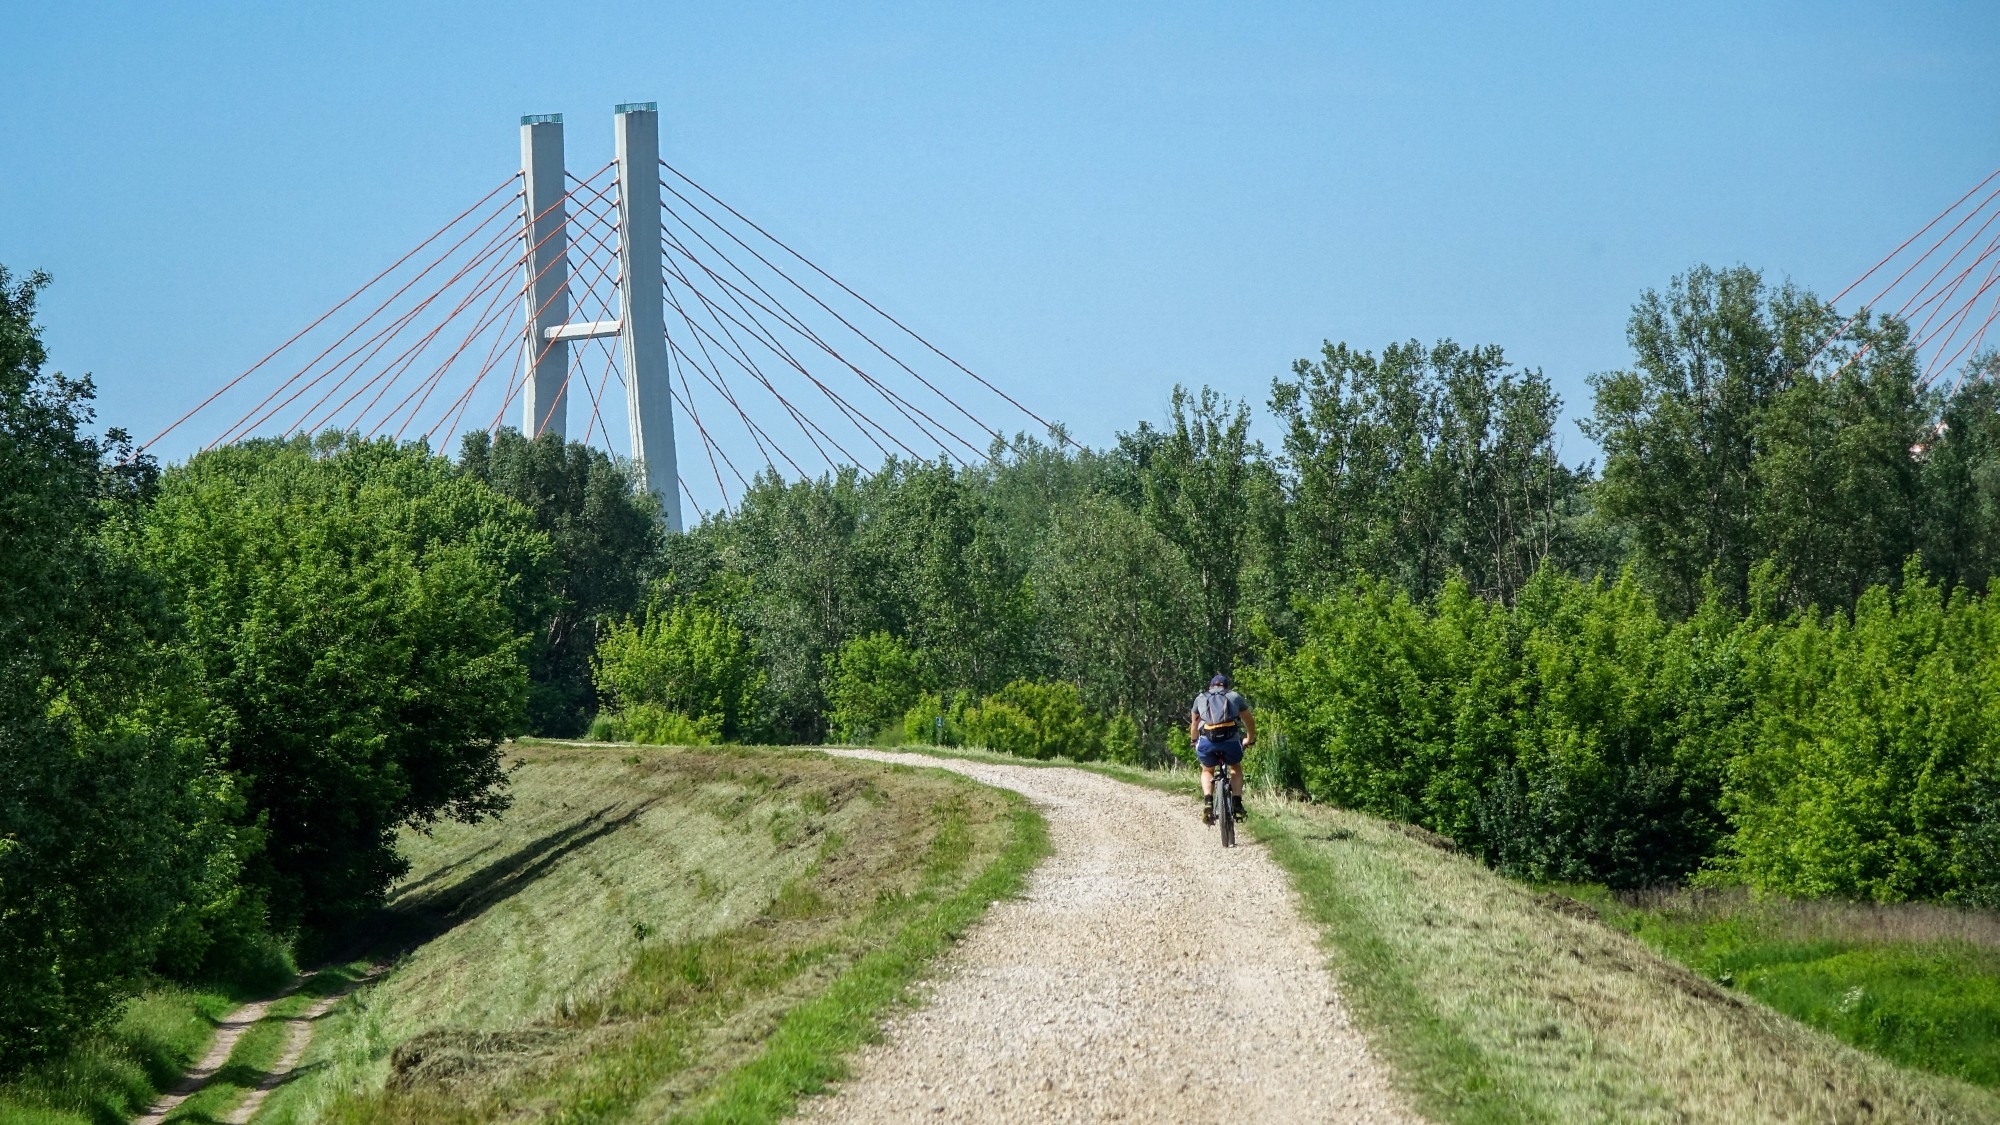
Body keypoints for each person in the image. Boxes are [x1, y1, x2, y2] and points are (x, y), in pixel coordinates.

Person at [1190, 673, 1254, 824]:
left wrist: (1194, 740)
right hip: (1230, 743)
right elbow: (1249, 720)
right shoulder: (1234, 697)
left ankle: (1208, 801)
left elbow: (1194, 725)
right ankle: (1237, 803)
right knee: (1235, 767)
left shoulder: (1201, 698)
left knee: (1207, 769)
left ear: (1210, 687)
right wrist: (1250, 739)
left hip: (1207, 742)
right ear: (1226, 686)